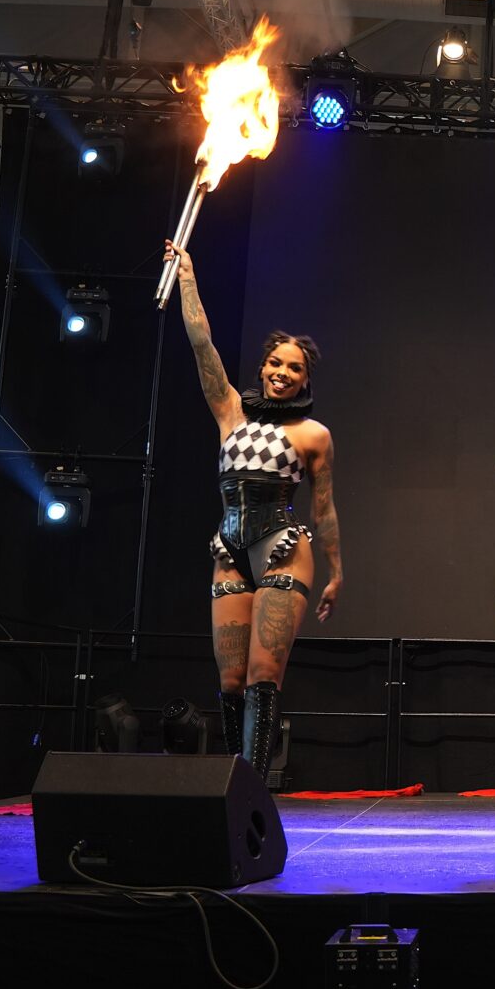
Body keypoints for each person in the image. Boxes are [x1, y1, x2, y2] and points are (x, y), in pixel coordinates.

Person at [167, 241, 343, 782]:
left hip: (282, 547)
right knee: (230, 681)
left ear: (306, 379)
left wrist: (337, 573)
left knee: (264, 675)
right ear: (263, 366)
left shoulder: (313, 434)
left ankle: (254, 791)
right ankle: (233, 785)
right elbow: (201, 344)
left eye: (294, 368)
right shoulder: (231, 413)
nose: (282, 372)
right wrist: (188, 278)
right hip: (228, 549)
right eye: (275, 362)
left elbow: (324, 508)